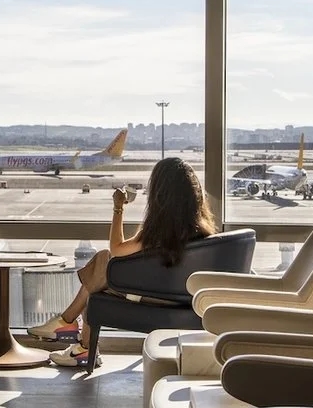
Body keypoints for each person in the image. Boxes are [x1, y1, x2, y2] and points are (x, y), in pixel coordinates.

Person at [28, 157, 217, 367]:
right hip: (187, 301)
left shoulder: (158, 232)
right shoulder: (205, 232)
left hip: (156, 300)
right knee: (97, 277)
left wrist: (118, 207)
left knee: (101, 267)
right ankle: (75, 337)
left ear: (160, 194)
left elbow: (117, 249)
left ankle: (70, 327)